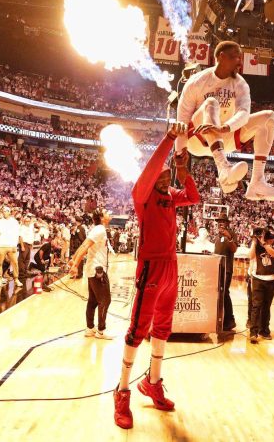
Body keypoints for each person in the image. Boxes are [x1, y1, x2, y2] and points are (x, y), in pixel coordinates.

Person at [113, 122, 200, 430]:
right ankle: (122, 391)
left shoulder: (170, 196)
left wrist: (183, 169)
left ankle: (153, 383)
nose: (165, 175)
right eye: (162, 173)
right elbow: (150, 170)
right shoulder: (143, 195)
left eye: (166, 174)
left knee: (163, 327)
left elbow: (193, 197)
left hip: (171, 266)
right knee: (139, 328)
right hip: (151, 266)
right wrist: (169, 140)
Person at [174, 41, 274, 201]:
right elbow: (182, 122)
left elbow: (243, 113)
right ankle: (223, 167)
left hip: (223, 137)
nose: (240, 62)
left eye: (240, 58)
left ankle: (257, 182)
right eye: (235, 57)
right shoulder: (197, 82)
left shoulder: (240, 84)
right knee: (211, 102)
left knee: (268, 117)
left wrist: (225, 127)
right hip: (197, 140)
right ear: (221, 56)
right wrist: (179, 160)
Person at [68, 209, 112, 340]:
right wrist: (75, 265)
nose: (109, 213)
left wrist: (74, 257)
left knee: (93, 301)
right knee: (105, 300)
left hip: (92, 270)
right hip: (97, 270)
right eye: (106, 212)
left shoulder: (97, 229)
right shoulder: (100, 230)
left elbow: (83, 245)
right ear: (101, 217)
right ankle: (101, 331)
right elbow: (85, 246)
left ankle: (90, 328)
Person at [248, 228, 274, 343]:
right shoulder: (257, 246)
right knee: (256, 306)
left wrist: (264, 244)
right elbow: (250, 256)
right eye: (268, 238)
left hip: (271, 279)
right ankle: (253, 332)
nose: (270, 240)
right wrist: (254, 242)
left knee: (266, 307)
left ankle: (264, 330)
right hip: (258, 278)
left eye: (271, 238)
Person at [213, 217, 237, 332]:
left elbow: (234, 249)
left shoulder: (231, 234)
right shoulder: (217, 236)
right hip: (218, 268)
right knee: (220, 294)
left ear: (227, 223)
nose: (220, 223)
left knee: (225, 293)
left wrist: (229, 237)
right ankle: (221, 319)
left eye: (223, 221)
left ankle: (230, 320)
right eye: (218, 222)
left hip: (226, 269)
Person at [0, 207, 21, 287]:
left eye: (6, 211)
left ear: (9, 212)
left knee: (15, 263)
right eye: (3, 211)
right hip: (1, 245)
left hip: (11, 245)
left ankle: (16, 279)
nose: (4, 213)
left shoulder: (15, 222)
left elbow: (17, 234)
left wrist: (15, 245)